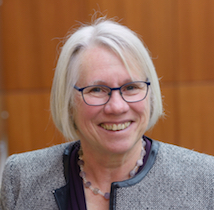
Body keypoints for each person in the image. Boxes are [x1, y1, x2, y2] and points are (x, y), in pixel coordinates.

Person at [1, 16, 214, 210]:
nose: (117, 107)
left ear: (150, 94)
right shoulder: (21, 178)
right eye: (96, 90)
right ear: (68, 102)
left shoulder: (204, 179)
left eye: (131, 87)